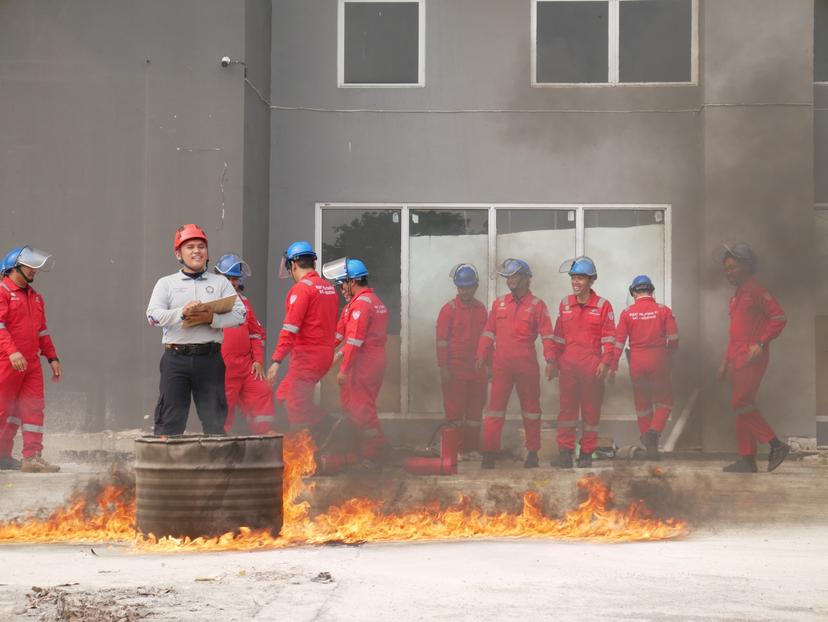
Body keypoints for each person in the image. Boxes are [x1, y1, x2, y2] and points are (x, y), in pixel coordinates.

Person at [146, 224, 246, 435]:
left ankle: (216, 466)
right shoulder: (166, 283)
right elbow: (153, 316)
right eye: (190, 246)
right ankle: (167, 466)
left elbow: (240, 315)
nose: (196, 251)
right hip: (176, 358)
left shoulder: (220, 283)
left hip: (210, 359)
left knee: (215, 421)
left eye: (201, 246)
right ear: (178, 253)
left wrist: (213, 318)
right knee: (170, 420)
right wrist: (182, 312)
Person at [476, 258, 555, 470]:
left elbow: (547, 335)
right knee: (494, 410)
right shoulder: (499, 304)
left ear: (526, 279)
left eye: (514, 276)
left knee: (531, 410)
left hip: (526, 364)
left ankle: (532, 453)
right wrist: (481, 354)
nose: (509, 280)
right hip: (501, 364)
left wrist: (550, 359)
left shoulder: (537, 305)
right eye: (507, 277)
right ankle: (489, 453)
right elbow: (488, 331)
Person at [718, 243, 790, 473]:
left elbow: (779, 317)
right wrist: (724, 362)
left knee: (740, 403)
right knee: (743, 406)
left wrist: (761, 343)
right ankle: (747, 458)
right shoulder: (738, 295)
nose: (729, 272)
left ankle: (776, 445)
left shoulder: (757, 290)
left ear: (747, 266)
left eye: (733, 267)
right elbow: (734, 334)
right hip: (737, 357)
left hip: (751, 356)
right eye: (726, 269)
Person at [267, 242, 339, 443]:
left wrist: (276, 360)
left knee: (295, 404)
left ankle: (303, 450)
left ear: (294, 264)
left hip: (308, 355)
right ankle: (330, 425)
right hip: (324, 354)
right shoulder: (328, 288)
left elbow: (290, 327)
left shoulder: (301, 289)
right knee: (284, 393)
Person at [549, 257, 616, 468]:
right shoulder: (565, 304)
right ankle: (565, 453)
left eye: (580, 278)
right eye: (573, 278)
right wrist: (552, 361)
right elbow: (558, 337)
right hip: (568, 366)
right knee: (566, 412)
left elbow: (609, 339)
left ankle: (586, 453)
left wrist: (606, 363)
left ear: (591, 280)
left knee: (590, 412)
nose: (575, 282)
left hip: (591, 367)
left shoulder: (603, 306)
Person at [0, 246, 61, 473]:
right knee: (3, 410)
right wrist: (12, 351)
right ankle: (2, 454)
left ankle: (32, 458)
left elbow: (42, 331)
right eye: (30, 266)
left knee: (33, 409)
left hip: (31, 363)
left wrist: (52, 358)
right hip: (6, 360)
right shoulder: (2, 291)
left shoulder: (35, 298)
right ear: (14, 267)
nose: (35, 271)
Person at [328, 258, 389, 466]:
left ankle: (373, 453)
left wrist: (343, 369)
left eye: (342, 284)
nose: (341, 289)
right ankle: (358, 449)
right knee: (353, 407)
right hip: (369, 360)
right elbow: (340, 334)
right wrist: (327, 353)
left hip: (364, 364)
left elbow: (354, 341)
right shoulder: (365, 302)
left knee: (362, 409)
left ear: (352, 282)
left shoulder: (361, 306)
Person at [613, 275, 678, 461]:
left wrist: (613, 363)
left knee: (642, 406)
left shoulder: (627, 313)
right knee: (665, 402)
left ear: (633, 292)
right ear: (652, 291)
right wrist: (670, 356)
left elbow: (619, 342)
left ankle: (650, 450)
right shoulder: (663, 310)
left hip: (637, 361)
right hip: (658, 359)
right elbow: (673, 338)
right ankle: (654, 431)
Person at [215, 253, 275, 434]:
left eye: (235, 279)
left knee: (262, 390)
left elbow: (256, 334)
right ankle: (219, 441)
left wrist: (258, 361)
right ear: (218, 277)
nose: (232, 283)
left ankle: (264, 434)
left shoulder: (244, 302)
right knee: (224, 404)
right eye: (228, 278)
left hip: (247, 366)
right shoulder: (210, 302)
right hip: (223, 366)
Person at [436, 264, 487, 455]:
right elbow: (441, 342)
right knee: (454, 413)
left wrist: (489, 365)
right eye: (461, 287)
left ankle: (471, 449)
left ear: (476, 286)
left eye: (469, 287)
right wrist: (444, 368)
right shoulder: (448, 310)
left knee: (474, 414)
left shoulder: (481, 309)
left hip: (477, 369)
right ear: (457, 287)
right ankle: (454, 451)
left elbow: (487, 338)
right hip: (455, 369)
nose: (465, 291)